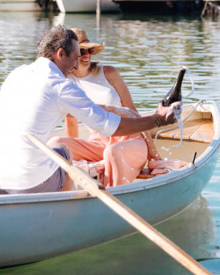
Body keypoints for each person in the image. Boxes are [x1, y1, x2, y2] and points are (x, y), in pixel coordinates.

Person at [0, 25, 180, 195]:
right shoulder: (62, 86)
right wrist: (159, 120)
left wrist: (152, 145)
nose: (76, 62)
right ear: (61, 53)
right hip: (26, 184)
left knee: (83, 151)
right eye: (76, 55)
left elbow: (126, 113)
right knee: (61, 150)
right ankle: (69, 217)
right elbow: (107, 125)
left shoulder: (17, 73)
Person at [48, 28, 161, 187]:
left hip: (129, 139)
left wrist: (154, 154)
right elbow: (71, 124)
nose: (87, 55)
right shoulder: (67, 84)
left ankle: (111, 197)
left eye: (90, 50)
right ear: (72, 54)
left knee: (112, 152)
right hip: (99, 143)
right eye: (82, 51)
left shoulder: (108, 72)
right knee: (56, 143)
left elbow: (133, 111)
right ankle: (65, 190)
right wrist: (79, 159)